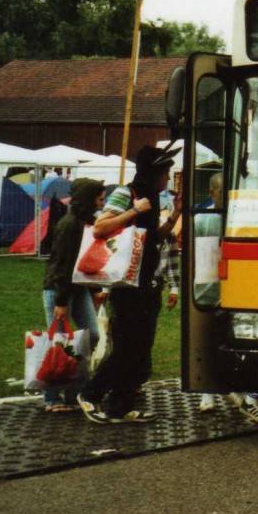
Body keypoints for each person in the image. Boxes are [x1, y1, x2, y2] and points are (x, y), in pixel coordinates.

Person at [77, 144, 182, 424]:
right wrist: (134, 211)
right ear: (152, 173)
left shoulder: (154, 198)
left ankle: (121, 406)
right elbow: (100, 227)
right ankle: (90, 394)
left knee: (140, 349)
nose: (169, 178)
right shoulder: (128, 193)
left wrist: (174, 216)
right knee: (126, 348)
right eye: (165, 173)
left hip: (148, 283)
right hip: (127, 286)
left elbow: (153, 238)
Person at [195, 172, 258, 423]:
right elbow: (199, 255)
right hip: (210, 286)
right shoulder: (202, 219)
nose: (226, 196)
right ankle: (208, 392)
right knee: (209, 339)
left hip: (241, 285)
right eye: (221, 191)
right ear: (212, 193)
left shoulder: (245, 217)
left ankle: (246, 390)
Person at [40, 177, 107, 413]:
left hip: (77, 288)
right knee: (58, 343)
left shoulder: (87, 224)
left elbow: (87, 261)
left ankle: (72, 389)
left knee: (92, 335)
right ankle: (51, 397)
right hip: (61, 289)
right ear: (88, 199)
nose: (102, 202)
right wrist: (60, 300)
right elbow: (62, 264)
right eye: (99, 198)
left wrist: (95, 289)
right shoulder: (70, 225)